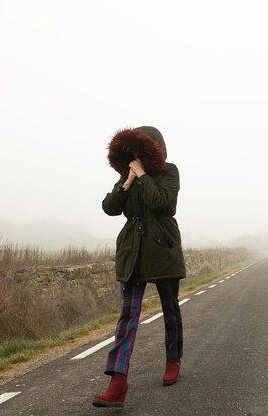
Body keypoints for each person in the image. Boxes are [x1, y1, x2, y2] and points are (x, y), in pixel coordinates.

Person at [93, 126, 186, 408]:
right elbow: (110, 207)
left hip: (163, 250)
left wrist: (144, 176)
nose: (135, 159)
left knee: (170, 309)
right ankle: (117, 381)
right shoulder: (127, 177)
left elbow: (164, 204)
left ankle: (173, 359)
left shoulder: (170, 172)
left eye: (140, 153)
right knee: (128, 316)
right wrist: (129, 180)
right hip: (133, 252)